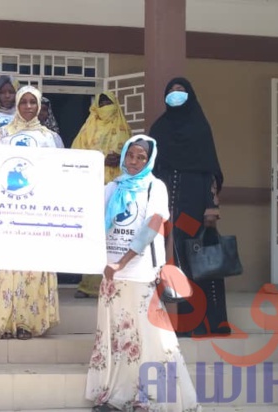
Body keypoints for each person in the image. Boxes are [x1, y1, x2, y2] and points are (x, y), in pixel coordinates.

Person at [85, 135, 201, 412]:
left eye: (141, 157)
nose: (134, 161)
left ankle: (149, 398)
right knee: (116, 338)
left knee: (149, 338)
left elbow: (150, 229)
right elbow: (91, 224)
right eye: (131, 155)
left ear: (149, 160)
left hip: (140, 273)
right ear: (123, 156)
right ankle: (114, 396)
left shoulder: (155, 187)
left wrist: (122, 262)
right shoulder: (110, 188)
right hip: (111, 276)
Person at [0, 86, 62, 341]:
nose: (28, 107)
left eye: (32, 102)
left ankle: (27, 323)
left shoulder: (49, 137)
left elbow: (58, 174)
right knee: (7, 267)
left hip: (36, 215)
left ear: (39, 106)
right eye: (23, 102)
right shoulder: (1, 134)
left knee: (33, 269)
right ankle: (4, 323)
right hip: (7, 214)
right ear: (16, 104)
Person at [148, 77, 229, 337]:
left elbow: (211, 172)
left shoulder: (200, 128)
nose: (175, 94)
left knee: (196, 257)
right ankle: (182, 322)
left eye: (181, 90)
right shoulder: (159, 128)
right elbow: (152, 168)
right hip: (166, 204)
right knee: (172, 260)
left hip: (194, 204)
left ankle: (209, 322)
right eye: (171, 91)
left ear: (190, 95)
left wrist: (211, 208)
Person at [72, 91, 133, 299]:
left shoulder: (124, 128)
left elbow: (137, 158)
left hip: (118, 190)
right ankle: (88, 285)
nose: (106, 106)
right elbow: (76, 155)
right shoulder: (88, 129)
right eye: (102, 102)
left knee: (115, 236)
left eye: (109, 102)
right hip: (93, 189)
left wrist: (121, 159)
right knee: (92, 236)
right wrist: (99, 160)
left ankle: (115, 281)